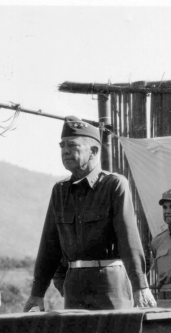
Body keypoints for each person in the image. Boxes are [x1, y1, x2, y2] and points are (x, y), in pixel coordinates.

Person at [24, 116, 155, 312]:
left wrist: (140, 286)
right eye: (62, 146)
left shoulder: (114, 185)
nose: (65, 151)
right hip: (74, 285)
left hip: (110, 284)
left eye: (72, 145)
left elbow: (129, 240)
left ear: (93, 151)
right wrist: (37, 293)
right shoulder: (59, 191)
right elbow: (49, 246)